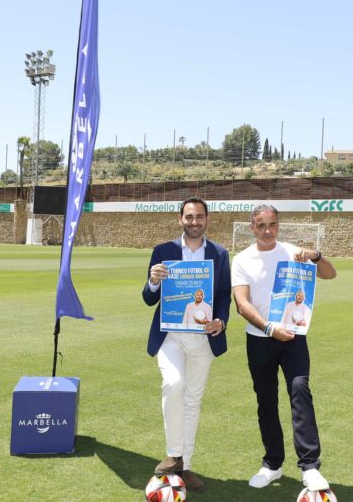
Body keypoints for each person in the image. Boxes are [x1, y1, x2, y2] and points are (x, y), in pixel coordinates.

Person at [231, 204, 337, 491]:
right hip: (260, 338)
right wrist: (268, 328)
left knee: (300, 390)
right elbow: (241, 303)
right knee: (266, 401)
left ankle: (310, 467)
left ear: (278, 226)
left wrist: (316, 256)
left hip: (292, 337)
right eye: (261, 225)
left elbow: (329, 274)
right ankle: (272, 465)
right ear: (252, 227)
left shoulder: (293, 252)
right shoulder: (241, 260)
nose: (267, 230)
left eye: (273, 225)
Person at [142, 197, 230, 492]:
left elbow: (223, 296)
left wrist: (221, 321)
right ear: (180, 219)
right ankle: (173, 455)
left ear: (207, 219)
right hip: (171, 336)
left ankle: (186, 465)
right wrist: (154, 281)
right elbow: (148, 297)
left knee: (193, 400)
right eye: (189, 217)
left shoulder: (219, 253)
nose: (194, 222)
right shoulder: (163, 251)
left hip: (204, 338)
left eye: (199, 217)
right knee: (173, 384)